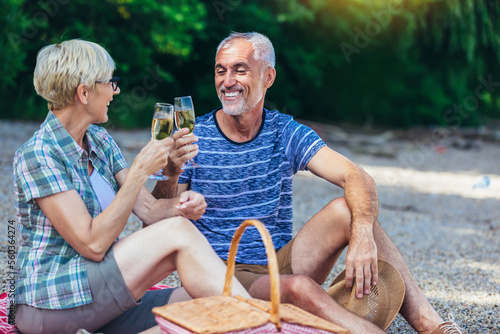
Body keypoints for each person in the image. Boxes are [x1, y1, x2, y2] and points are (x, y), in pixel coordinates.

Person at [154, 32, 463, 334]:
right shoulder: (194, 135)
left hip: (278, 262)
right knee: (300, 288)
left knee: (348, 211)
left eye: (240, 70)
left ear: (268, 77)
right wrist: (171, 173)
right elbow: (156, 223)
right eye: (221, 71)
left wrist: (363, 234)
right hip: (220, 273)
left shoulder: (284, 131)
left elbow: (356, 176)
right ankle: (337, 319)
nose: (227, 81)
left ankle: (432, 326)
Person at [12, 39, 250, 334]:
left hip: (96, 299)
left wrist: (179, 199)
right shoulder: (40, 154)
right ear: (84, 92)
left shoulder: (98, 140)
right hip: (49, 305)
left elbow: (150, 212)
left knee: (207, 305)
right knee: (179, 234)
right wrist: (138, 170)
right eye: (111, 82)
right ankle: (261, 324)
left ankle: (250, 318)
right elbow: (93, 244)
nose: (116, 90)